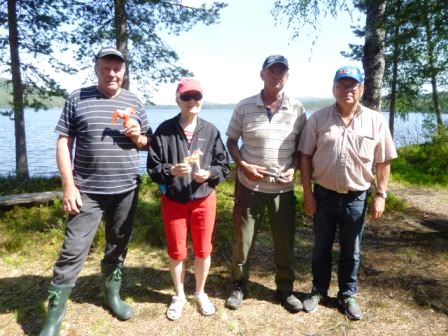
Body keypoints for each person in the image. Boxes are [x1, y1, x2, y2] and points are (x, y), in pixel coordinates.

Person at [40, 47, 151, 336]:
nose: (112, 73)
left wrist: (138, 135)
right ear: (97, 68)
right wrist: (68, 185)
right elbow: (64, 143)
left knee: (118, 245)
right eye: (106, 67)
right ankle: (53, 316)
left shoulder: (134, 101)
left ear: (124, 72)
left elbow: (147, 143)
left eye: (117, 68)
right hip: (87, 191)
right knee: (72, 251)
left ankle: (111, 295)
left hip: (126, 189)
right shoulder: (78, 98)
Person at [299, 65, 397, 320]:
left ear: (362, 88)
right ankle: (318, 290)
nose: (347, 90)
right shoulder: (318, 119)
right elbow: (305, 156)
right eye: (342, 84)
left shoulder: (375, 120)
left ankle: (347, 294)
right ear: (333, 88)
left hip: (357, 197)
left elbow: (383, 160)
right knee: (321, 246)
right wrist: (307, 193)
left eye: (353, 85)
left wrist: (381, 195)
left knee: (351, 250)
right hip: (323, 195)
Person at [224, 55, 307, 313]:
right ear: (262, 74)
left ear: (287, 77)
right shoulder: (244, 106)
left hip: (282, 191)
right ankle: (238, 286)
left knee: (285, 243)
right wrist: (243, 165)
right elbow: (231, 142)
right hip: (250, 189)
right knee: (243, 242)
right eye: (272, 71)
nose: (276, 76)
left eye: (282, 72)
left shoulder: (297, 110)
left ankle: (285, 289)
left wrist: (293, 169)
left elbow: (302, 150)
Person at [147, 78, 230, 321]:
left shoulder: (210, 130)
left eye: (196, 97)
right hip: (173, 200)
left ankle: (200, 292)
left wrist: (211, 174)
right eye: (186, 97)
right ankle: (179, 295)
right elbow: (152, 167)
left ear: (202, 101)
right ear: (177, 99)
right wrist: (170, 171)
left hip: (204, 200)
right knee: (176, 251)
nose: (192, 102)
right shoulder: (164, 130)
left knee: (203, 250)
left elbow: (223, 166)